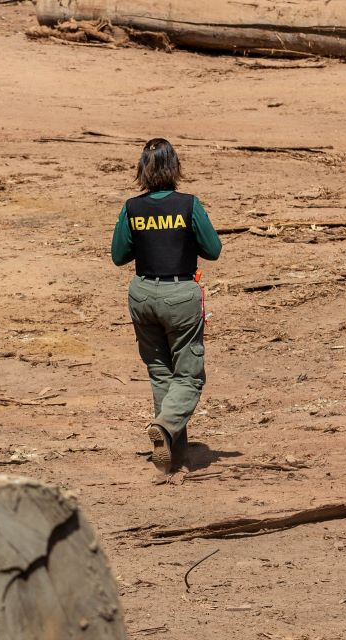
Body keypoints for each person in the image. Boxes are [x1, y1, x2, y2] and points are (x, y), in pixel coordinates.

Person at [110, 138, 222, 473]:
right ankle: (165, 426)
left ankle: (173, 455)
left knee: (161, 373)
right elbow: (212, 249)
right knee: (189, 377)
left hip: (142, 294)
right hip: (181, 295)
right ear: (175, 167)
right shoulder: (189, 204)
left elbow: (119, 256)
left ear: (142, 169)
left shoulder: (132, 207)